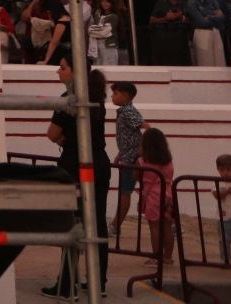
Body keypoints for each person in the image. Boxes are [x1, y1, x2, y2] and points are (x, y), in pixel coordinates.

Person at [46, 61, 110, 298]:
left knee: (74, 222)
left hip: (76, 164)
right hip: (99, 163)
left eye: (63, 67)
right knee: (98, 222)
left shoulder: (69, 98)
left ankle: (66, 284)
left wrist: (66, 143)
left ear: (75, 71)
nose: (58, 71)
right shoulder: (97, 96)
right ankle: (98, 281)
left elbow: (52, 134)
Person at [111, 80, 144, 236]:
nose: (112, 96)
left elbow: (146, 128)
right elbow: (131, 136)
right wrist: (121, 153)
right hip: (129, 157)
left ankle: (115, 225)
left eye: (115, 93)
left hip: (132, 160)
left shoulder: (128, 112)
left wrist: (140, 153)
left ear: (125, 96)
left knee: (125, 192)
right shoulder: (124, 111)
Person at [141, 128, 177, 267]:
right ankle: (167, 257)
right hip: (168, 194)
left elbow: (136, 175)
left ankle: (156, 257)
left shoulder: (143, 161)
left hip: (153, 197)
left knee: (154, 227)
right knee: (168, 227)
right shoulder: (168, 162)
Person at [186, 0, 227, 68]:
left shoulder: (211, 0)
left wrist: (209, 17)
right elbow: (201, 22)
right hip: (202, 33)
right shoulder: (191, 3)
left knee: (219, 62)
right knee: (205, 63)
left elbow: (222, 17)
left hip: (215, 31)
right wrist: (214, 15)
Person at [214, 153, 231, 264]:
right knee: (224, 240)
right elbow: (216, 195)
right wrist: (226, 192)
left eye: (228, 169)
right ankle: (225, 259)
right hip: (223, 218)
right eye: (221, 170)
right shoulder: (218, 181)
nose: (225, 173)